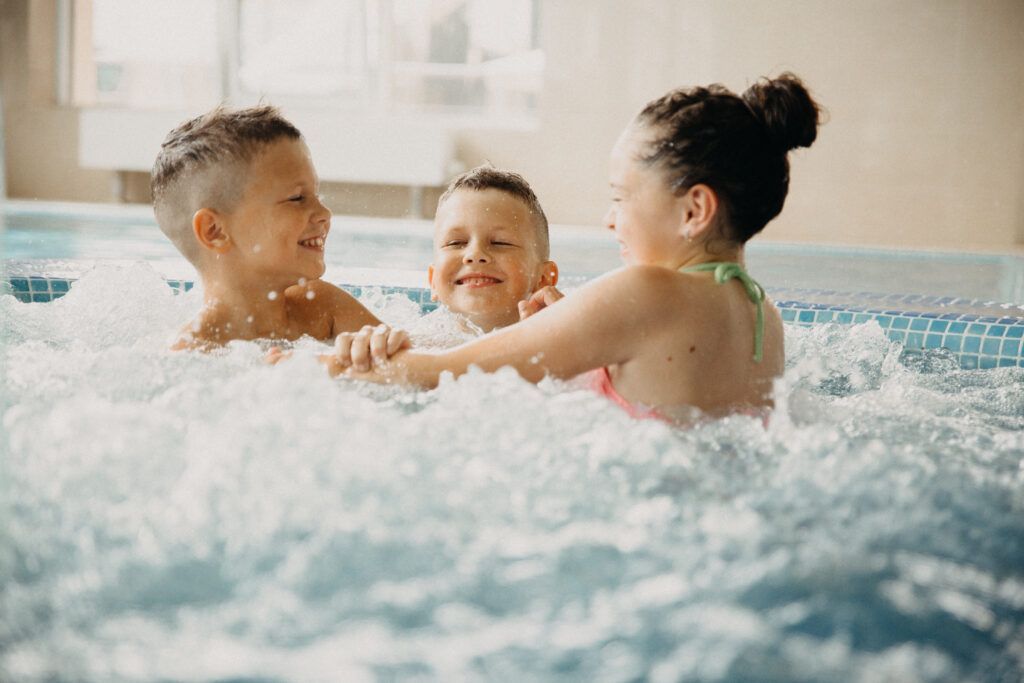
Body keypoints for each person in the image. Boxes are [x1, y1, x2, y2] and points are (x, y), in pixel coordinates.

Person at [325, 73, 821, 420]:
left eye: (621, 197)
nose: (610, 219)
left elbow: (444, 373)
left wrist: (315, 368)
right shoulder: (762, 313)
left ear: (694, 210)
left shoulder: (645, 290)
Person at [151, 105, 406, 357]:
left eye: (316, 195)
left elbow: (414, 360)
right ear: (214, 231)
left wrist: (386, 345)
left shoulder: (322, 307)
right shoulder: (192, 351)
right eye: (297, 198)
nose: (324, 213)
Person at [427, 164, 560, 333]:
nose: (475, 254)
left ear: (543, 279)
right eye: (455, 242)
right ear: (433, 280)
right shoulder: (412, 342)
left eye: (500, 242)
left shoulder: (562, 342)